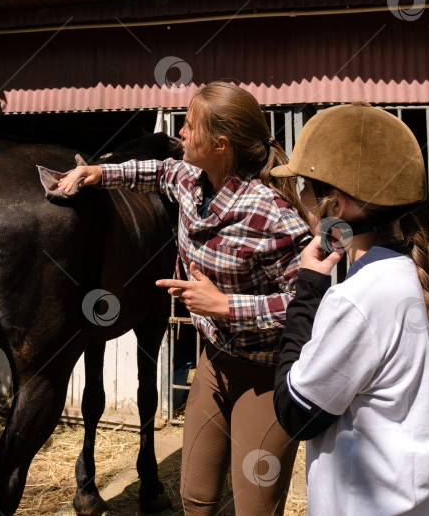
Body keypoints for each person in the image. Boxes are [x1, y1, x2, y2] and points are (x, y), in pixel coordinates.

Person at [58, 81, 310, 515]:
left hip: (265, 372)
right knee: (196, 499)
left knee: (254, 506)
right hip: (213, 362)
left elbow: (309, 305)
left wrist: (227, 306)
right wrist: (98, 173)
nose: (181, 132)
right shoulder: (189, 179)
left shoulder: (272, 214)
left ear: (220, 144)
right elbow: (153, 172)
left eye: (190, 126)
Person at [271, 102, 429, 515]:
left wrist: (308, 288)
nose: (299, 198)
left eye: (305, 186)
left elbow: (295, 413)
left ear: (336, 206)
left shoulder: (356, 299)